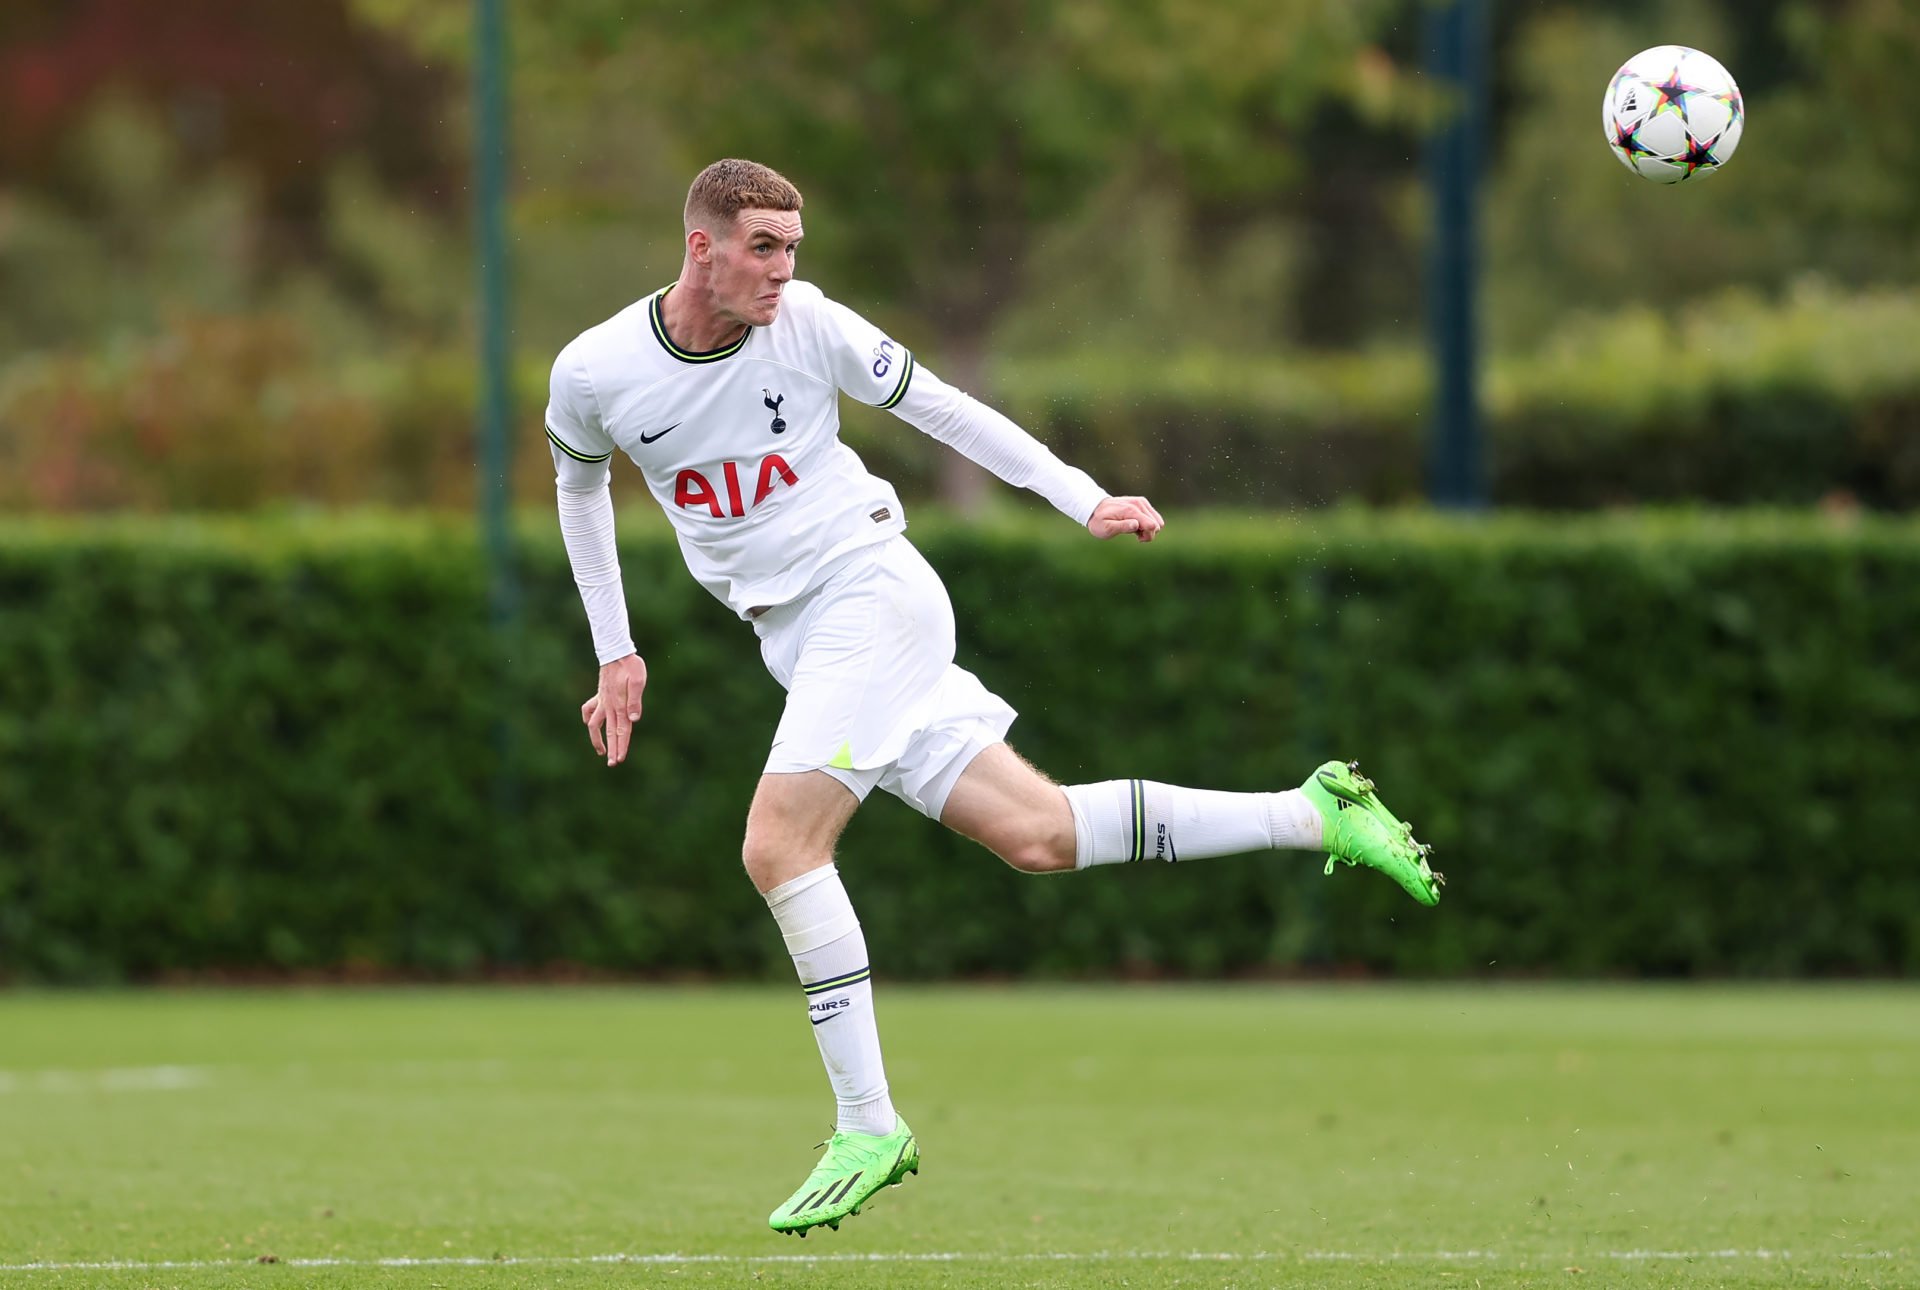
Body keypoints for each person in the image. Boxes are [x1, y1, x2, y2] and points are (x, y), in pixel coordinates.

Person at [547, 159, 1443, 1239]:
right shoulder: (595, 370)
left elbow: (945, 411)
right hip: (797, 637)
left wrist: (1084, 498)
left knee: (779, 849)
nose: (784, 269)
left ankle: (867, 1124)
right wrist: (616, 648)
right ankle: (1314, 813)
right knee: (1040, 836)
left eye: (793, 247)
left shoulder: (811, 325)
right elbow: (579, 480)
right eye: (763, 248)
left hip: (871, 596)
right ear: (702, 247)